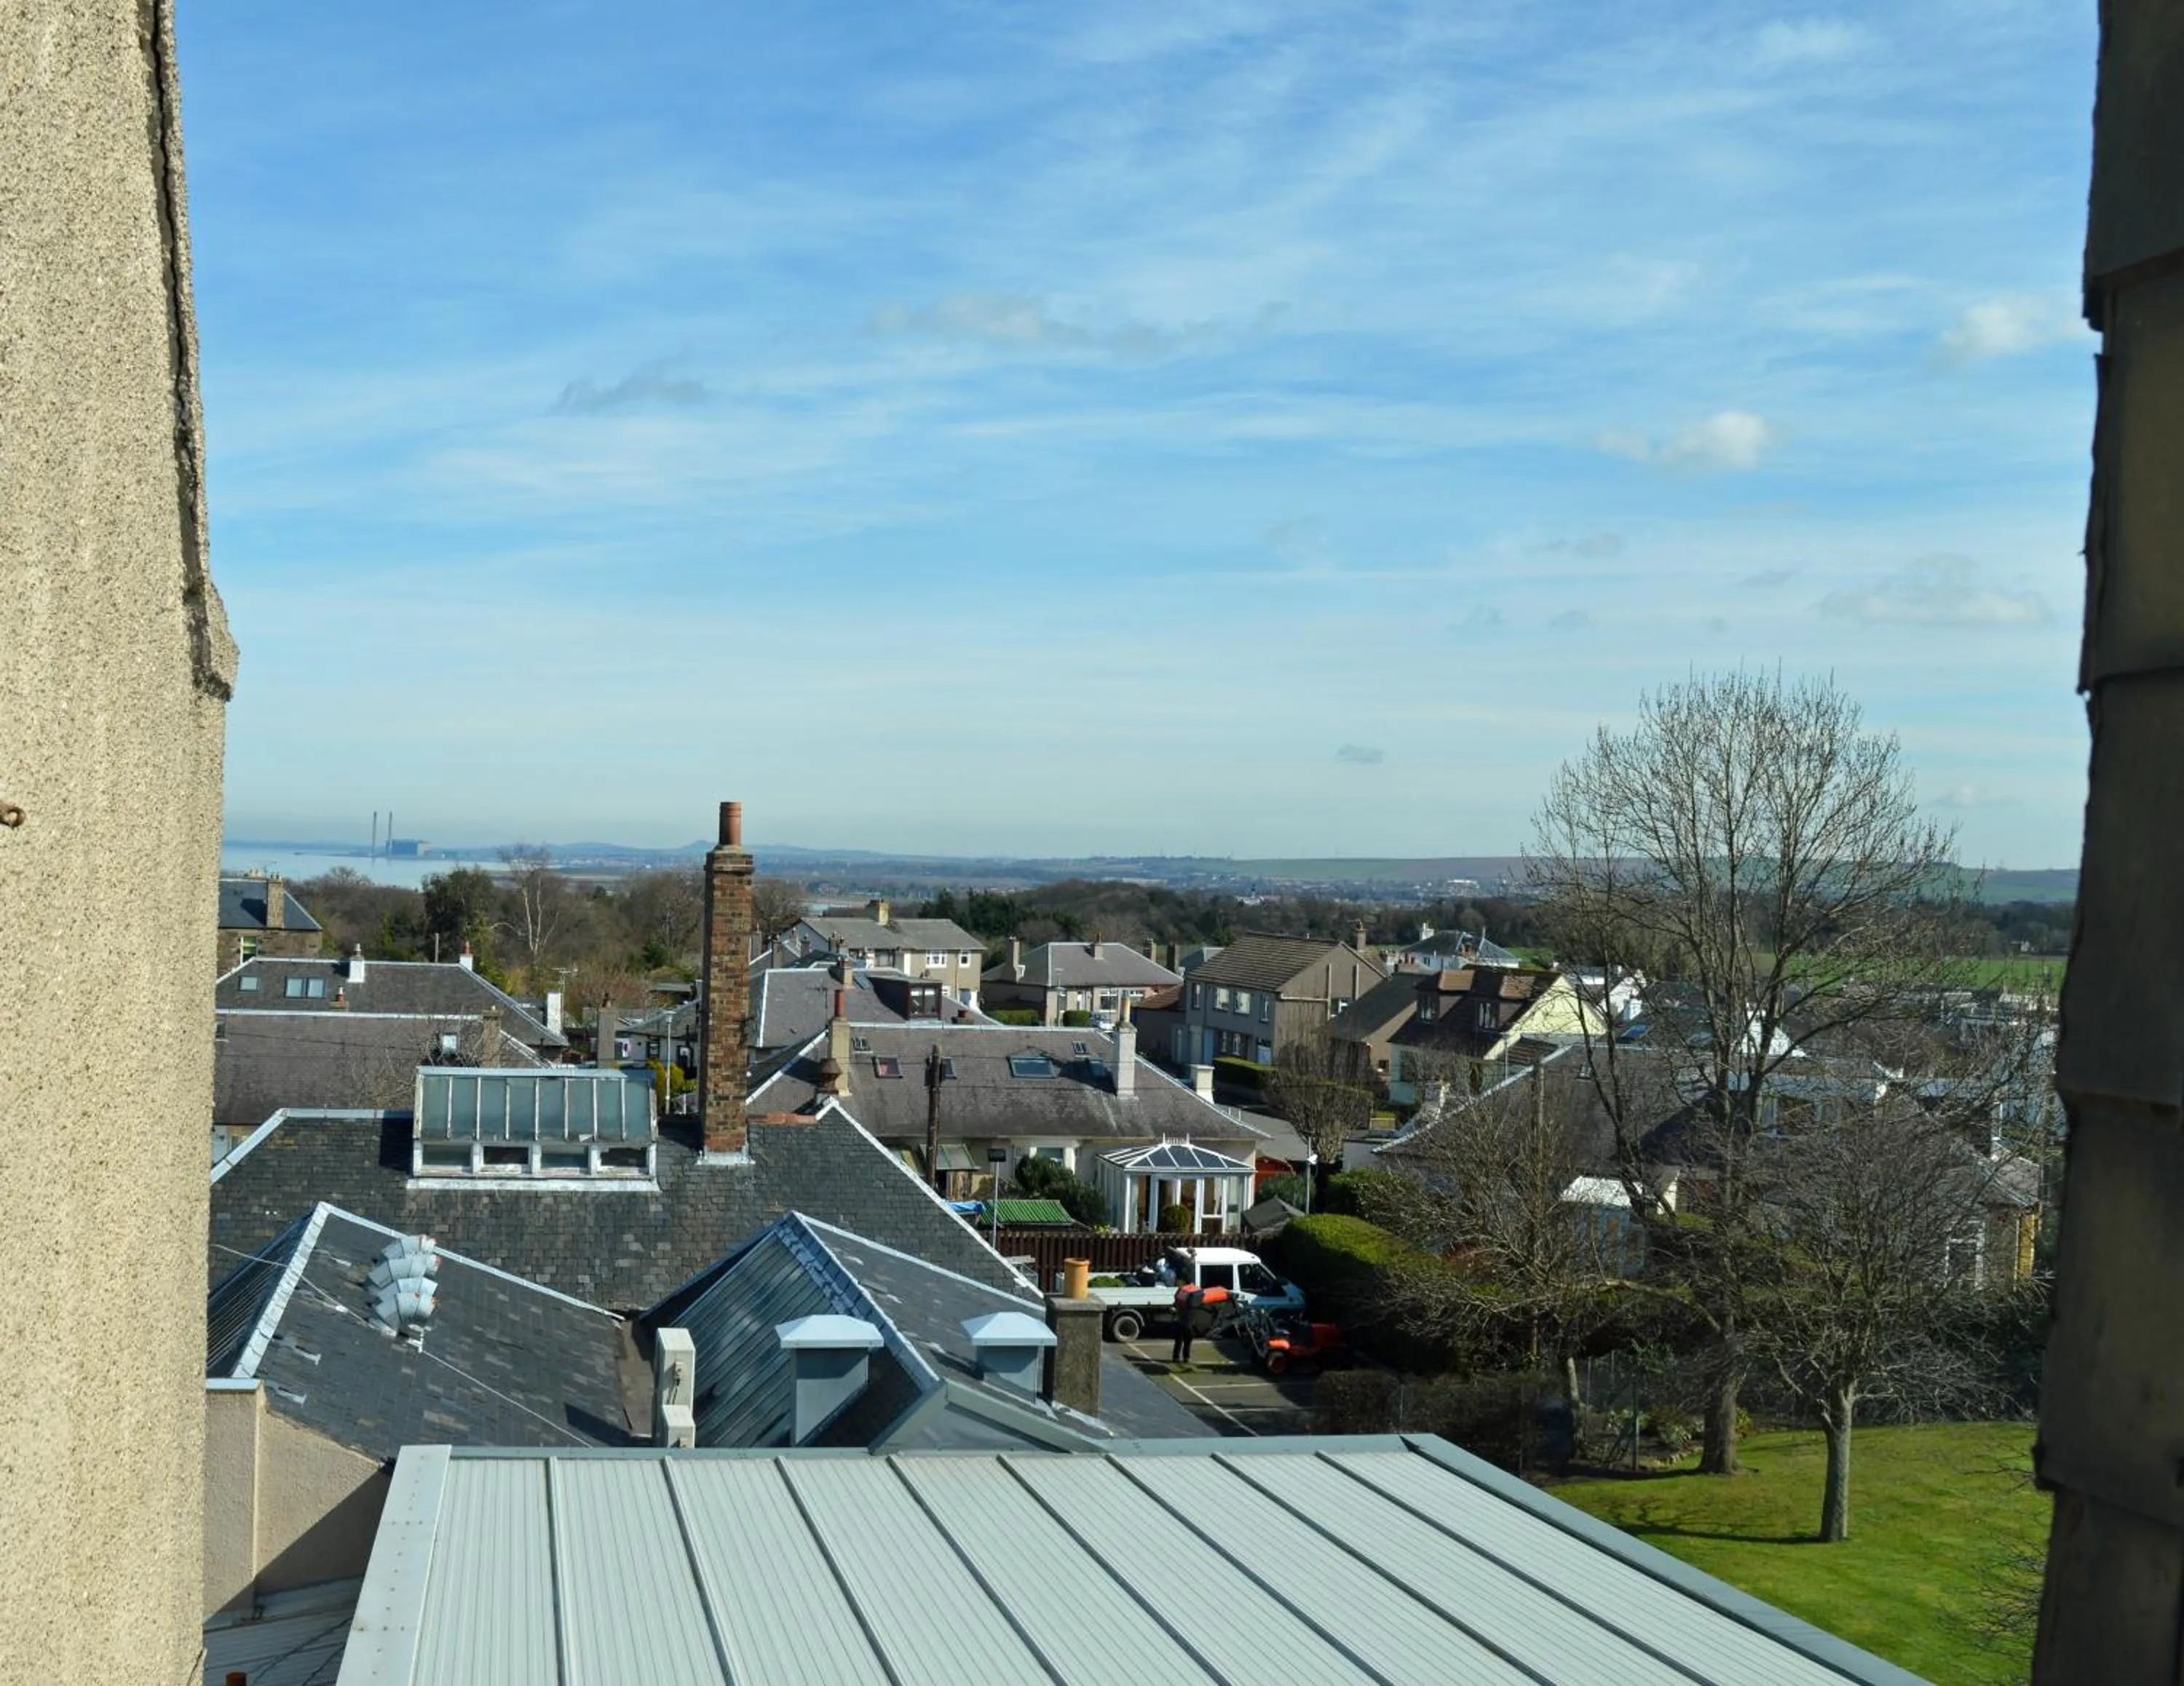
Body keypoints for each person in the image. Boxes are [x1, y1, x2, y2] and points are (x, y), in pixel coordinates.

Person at [1170, 1286, 1200, 1364]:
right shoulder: (1195, 1304)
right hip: (1189, 1324)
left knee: (1178, 1342)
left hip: (1180, 1323)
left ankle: (1176, 1358)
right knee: (1187, 1343)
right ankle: (1186, 1358)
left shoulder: (1180, 1302)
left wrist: (1174, 1312)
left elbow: (1174, 1308)